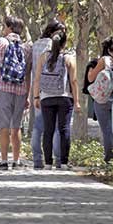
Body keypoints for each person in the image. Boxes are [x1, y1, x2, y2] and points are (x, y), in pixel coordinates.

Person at [0, 15, 33, 170]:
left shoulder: (0, 42)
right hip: (20, 90)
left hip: (3, 89)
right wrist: (27, 95)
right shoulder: (27, 48)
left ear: (9, 27)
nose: (3, 29)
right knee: (16, 127)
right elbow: (27, 73)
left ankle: (4, 161)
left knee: (4, 127)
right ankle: (17, 161)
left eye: (4, 26)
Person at [33, 29, 81, 170]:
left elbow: (37, 79)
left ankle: (48, 163)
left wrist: (36, 97)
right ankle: (64, 162)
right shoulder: (69, 58)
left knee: (48, 130)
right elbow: (73, 81)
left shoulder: (43, 57)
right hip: (64, 98)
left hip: (46, 97)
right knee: (63, 129)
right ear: (64, 43)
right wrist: (77, 101)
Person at [30, 19, 65, 169]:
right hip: (54, 90)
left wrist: (34, 94)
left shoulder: (36, 44)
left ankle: (37, 159)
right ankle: (58, 159)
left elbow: (33, 70)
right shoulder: (53, 45)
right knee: (56, 128)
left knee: (38, 127)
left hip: (38, 89)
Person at [88, 37, 113, 164]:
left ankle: (109, 159)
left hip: (103, 98)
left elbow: (91, 78)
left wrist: (90, 69)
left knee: (106, 131)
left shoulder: (104, 60)